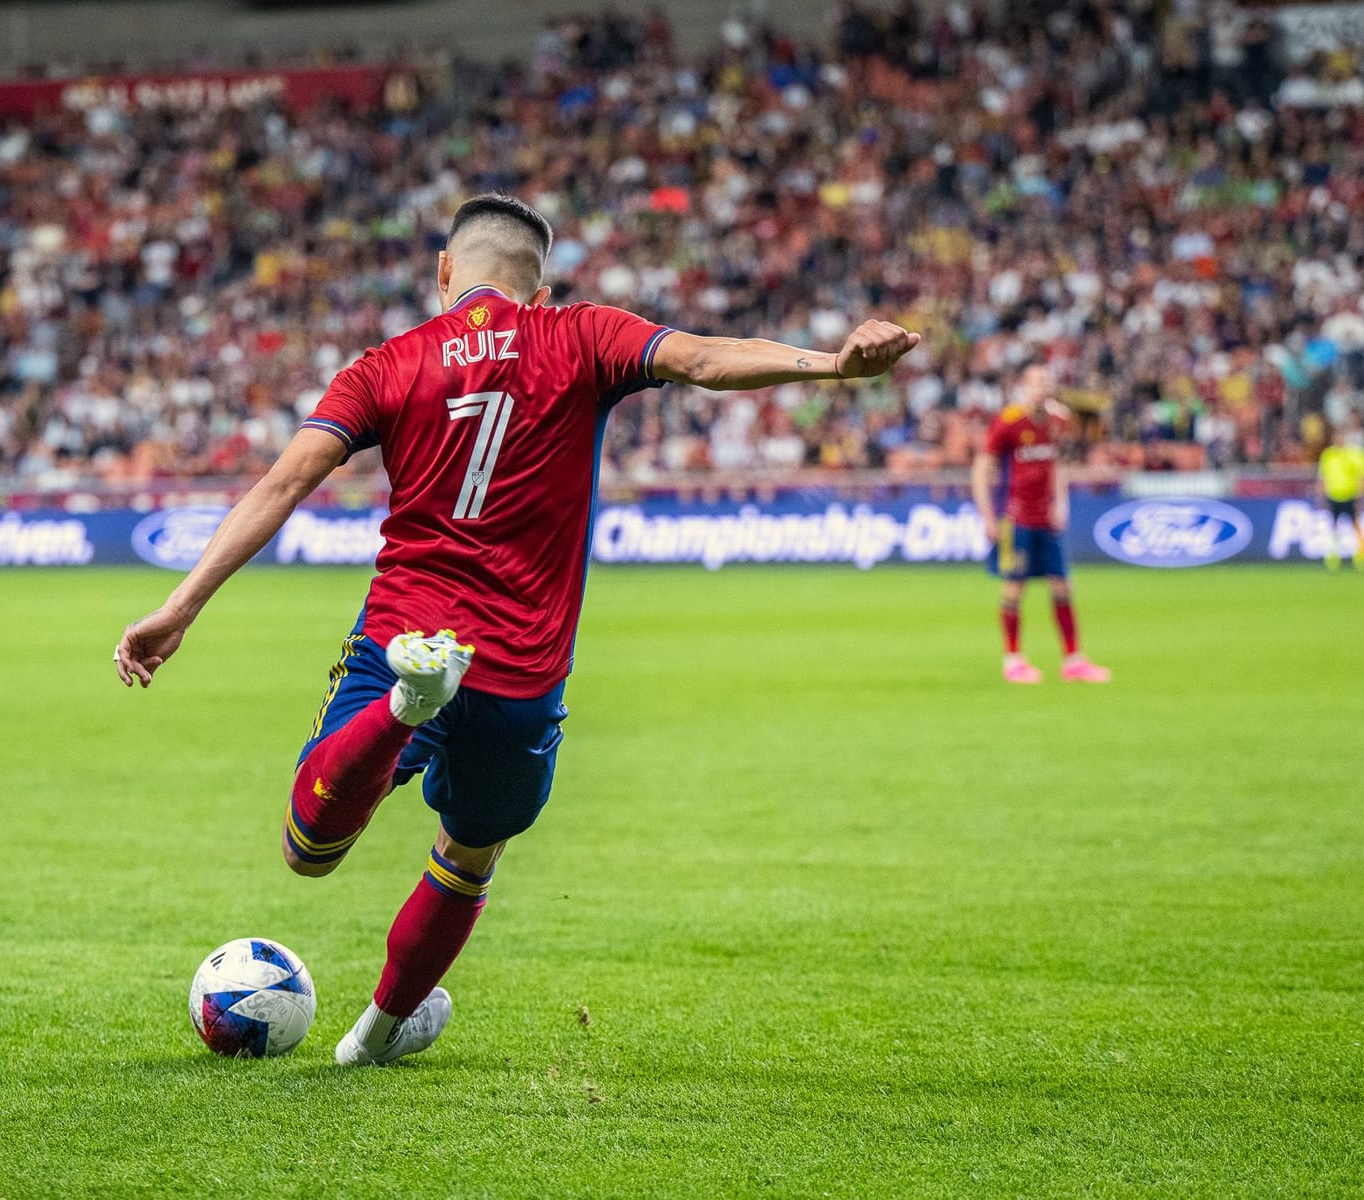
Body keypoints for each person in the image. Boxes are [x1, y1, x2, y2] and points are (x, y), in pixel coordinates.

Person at [112, 194, 920, 1066]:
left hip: (406, 632)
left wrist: (180, 606)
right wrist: (833, 363)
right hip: (519, 668)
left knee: (308, 851)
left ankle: (401, 712)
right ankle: (375, 1037)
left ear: (444, 271)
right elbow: (706, 359)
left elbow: (283, 484)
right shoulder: (581, 334)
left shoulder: (386, 365)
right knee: (469, 853)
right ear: (541, 286)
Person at [971, 360, 1110, 685]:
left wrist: (1060, 504)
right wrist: (987, 515)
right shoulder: (1007, 422)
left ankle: (1073, 660)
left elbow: (1058, 464)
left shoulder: (1058, 420)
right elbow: (982, 469)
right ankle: (1013, 660)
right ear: (1023, 387)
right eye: (1035, 382)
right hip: (1014, 517)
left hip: (1046, 518)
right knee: (1014, 587)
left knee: (1063, 585)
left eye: (1046, 382)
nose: (1042, 388)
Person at [1317, 425, 1364, 571]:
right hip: (1334, 496)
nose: (1339, 439)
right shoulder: (1328, 455)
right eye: (1336, 437)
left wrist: (1363, 496)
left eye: (1341, 437)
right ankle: (1333, 557)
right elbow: (1323, 477)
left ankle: (1361, 556)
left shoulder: (1354, 454)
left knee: (1356, 526)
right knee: (1334, 527)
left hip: (1351, 495)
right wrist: (1321, 496)